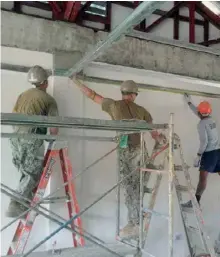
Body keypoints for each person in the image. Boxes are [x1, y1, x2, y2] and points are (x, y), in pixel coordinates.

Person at [72, 78, 166, 238]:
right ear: (135, 94)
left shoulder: (113, 105)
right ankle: (135, 220)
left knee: (130, 187)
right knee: (137, 185)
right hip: (139, 150)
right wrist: (159, 140)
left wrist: (75, 81)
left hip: (125, 151)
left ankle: (135, 222)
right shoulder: (142, 110)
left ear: (122, 92)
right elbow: (153, 131)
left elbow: (92, 95)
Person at [6, 65, 59, 218]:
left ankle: (23, 205)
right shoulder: (48, 99)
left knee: (25, 172)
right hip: (31, 138)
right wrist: (54, 141)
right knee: (33, 173)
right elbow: (55, 128)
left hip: (15, 139)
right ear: (45, 82)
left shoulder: (23, 95)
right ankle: (15, 204)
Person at [181, 93, 220, 209]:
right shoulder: (211, 120)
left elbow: (204, 142)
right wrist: (189, 103)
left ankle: (195, 202)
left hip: (209, 154)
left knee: (202, 179)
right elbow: (200, 114)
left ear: (200, 112)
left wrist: (198, 155)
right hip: (218, 152)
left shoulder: (201, 124)